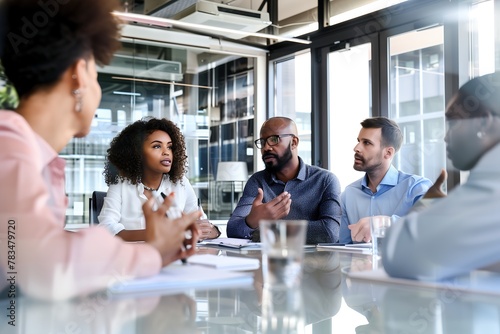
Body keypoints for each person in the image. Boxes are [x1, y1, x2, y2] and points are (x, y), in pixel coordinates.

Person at [0, 0, 200, 300]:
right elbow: (41, 268)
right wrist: (152, 252)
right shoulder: (8, 143)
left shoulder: (33, 155)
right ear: (79, 75)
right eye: (96, 74)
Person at [383, 72, 500, 281]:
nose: (445, 136)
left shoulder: (491, 185)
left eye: (453, 123)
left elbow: (400, 252)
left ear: (484, 123)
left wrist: (427, 204)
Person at [99, 117, 221, 241]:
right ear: (137, 153)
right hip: (133, 257)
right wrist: (161, 233)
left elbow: (205, 226)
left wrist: (208, 230)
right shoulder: (121, 184)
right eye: (157, 146)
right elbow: (107, 227)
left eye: (169, 147)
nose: (166, 152)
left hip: (173, 257)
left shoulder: (180, 182)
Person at [226, 116, 342, 244]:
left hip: (316, 263)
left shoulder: (326, 180)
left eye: (274, 139)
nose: (266, 148)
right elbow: (232, 229)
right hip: (268, 261)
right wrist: (253, 220)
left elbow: (329, 232)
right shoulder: (257, 181)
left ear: (294, 142)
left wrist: (267, 228)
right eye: (263, 142)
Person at [339, 117, 433, 244]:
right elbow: (344, 247)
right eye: (358, 141)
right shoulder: (348, 194)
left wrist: (383, 223)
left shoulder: (416, 187)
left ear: (388, 153)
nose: (356, 148)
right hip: (359, 264)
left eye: (366, 143)